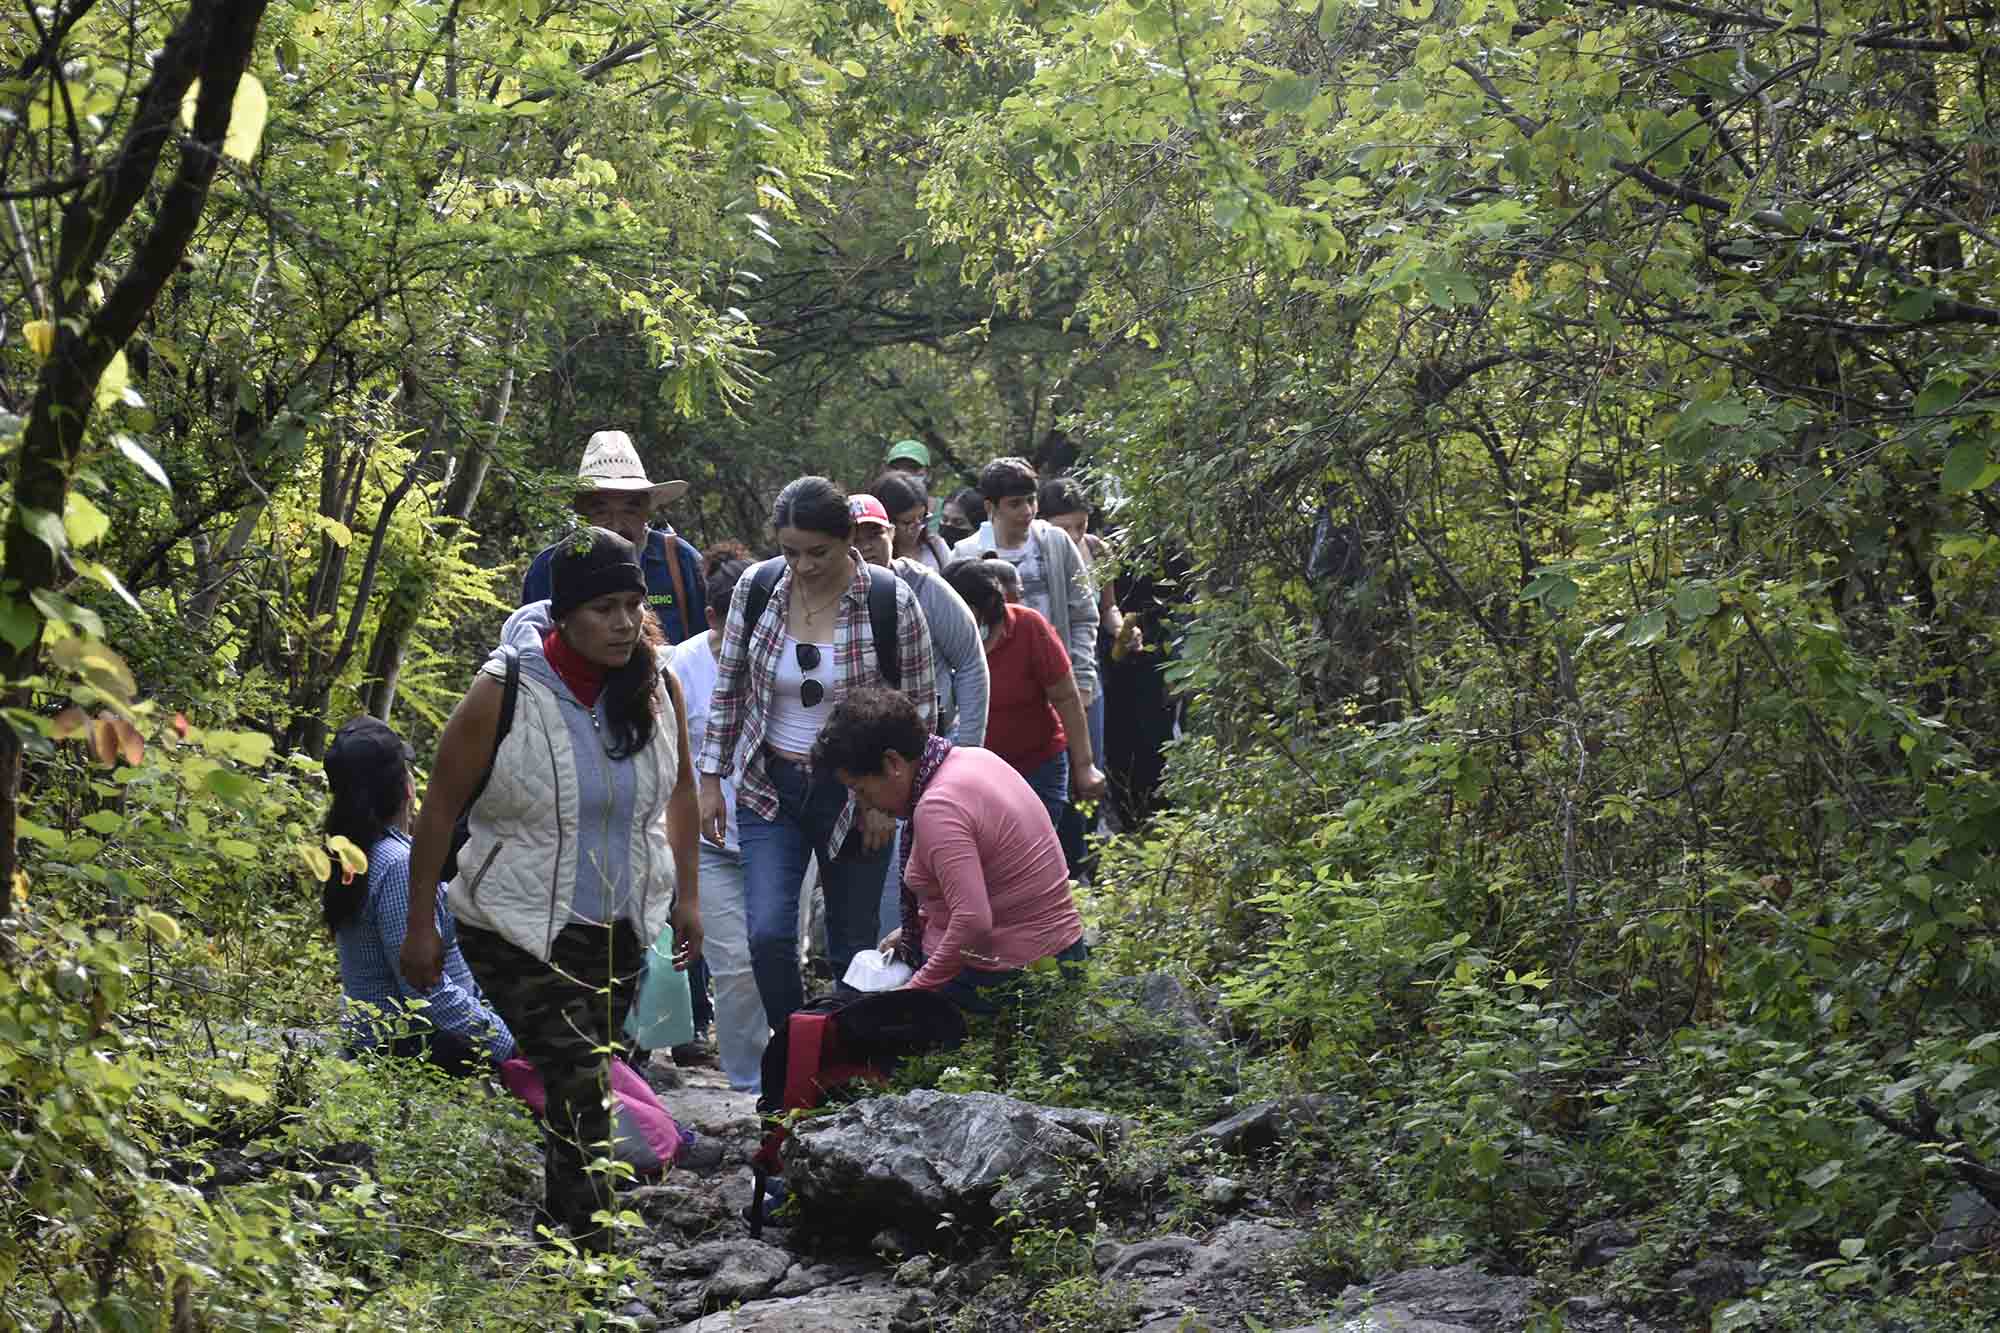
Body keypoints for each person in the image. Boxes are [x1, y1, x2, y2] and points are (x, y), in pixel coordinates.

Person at [401, 526, 703, 1253]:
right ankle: (596, 1260)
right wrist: (420, 924)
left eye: (633, 604)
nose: (625, 621)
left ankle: (557, 1230)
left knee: (583, 1082)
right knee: (578, 1083)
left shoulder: (657, 684)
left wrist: (687, 897)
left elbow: (683, 791)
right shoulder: (503, 689)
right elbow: (438, 806)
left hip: (620, 925)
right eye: (605, 606)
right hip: (513, 924)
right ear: (562, 614)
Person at [695, 477, 937, 1026]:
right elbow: (728, 687)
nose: (802, 566)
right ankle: (793, 1050)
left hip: (859, 793)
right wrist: (710, 779)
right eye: (790, 552)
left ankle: (843, 1065)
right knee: (769, 935)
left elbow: (920, 710)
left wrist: (887, 801)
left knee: (851, 944)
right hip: (768, 784)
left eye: (818, 553)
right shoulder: (758, 590)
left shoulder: (889, 600)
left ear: (849, 536)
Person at [816, 688, 1087, 1013]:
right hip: (1060, 954)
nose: (864, 803)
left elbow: (973, 922)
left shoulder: (938, 808)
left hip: (1016, 976)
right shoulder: (970, 759)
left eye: (861, 789)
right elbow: (991, 886)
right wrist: (914, 927)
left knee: (877, 1023)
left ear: (892, 763)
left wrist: (912, 993)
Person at [322, 716, 514, 1073]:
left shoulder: (354, 854)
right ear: (406, 787)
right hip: (410, 1049)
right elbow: (426, 994)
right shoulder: (399, 865)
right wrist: (510, 1044)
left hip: (388, 1043)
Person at [667, 548, 768, 1095]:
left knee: (776, 951)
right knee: (735, 962)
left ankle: (786, 1063)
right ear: (713, 618)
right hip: (709, 844)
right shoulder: (682, 667)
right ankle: (748, 1080)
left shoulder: (777, 658)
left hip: (775, 832)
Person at [942, 558, 1104, 830]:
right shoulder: (941, 636)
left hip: (1037, 767)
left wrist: (1084, 765)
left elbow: (1065, 697)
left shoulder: (1028, 627)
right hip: (974, 776)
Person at [521, 430, 706, 645]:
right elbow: (532, 653)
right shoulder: (547, 568)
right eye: (601, 512)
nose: (616, 525)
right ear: (581, 513)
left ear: (648, 510)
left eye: (630, 511)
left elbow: (706, 648)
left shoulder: (680, 560)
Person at [949, 457, 1099, 712]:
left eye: (1031, 500)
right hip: (1001, 691)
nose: (1027, 511)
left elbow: (1083, 614)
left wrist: (1082, 680)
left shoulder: (1055, 542)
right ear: (991, 507)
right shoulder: (966, 554)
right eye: (1015, 504)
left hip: (1065, 681)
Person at [849, 494, 988, 747]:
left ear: (891, 534)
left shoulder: (924, 584)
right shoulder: (828, 598)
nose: (865, 546)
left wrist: (969, 747)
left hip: (930, 740)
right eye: (854, 539)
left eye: (874, 535)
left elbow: (970, 661)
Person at [871, 472, 953, 571]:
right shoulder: (871, 554)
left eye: (923, 518)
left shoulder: (936, 547)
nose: (917, 529)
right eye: (907, 522)